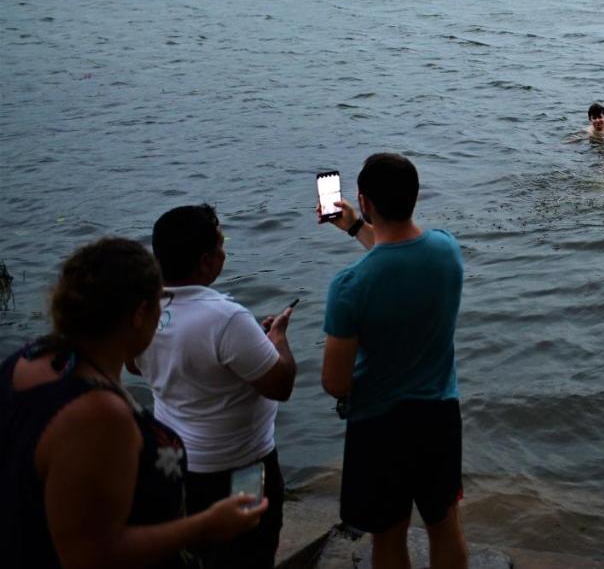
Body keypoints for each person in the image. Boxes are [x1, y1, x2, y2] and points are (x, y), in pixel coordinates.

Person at [1, 237, 266, 569]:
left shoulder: (23, 362)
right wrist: (205, 526)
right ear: (140, 314)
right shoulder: (100, 416)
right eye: (161, 302)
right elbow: (92, 556)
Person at [320, 153, 468, 569]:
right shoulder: (447, 251)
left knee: (388, 536)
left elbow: (336, 382)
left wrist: (355, 225)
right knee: (445, 523)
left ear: (365, 201)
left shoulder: (349, 286)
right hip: (439, 415)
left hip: (379, 426)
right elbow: (399, 250)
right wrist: (353, 227)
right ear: (415, 197)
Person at [132, 204, 296, 569]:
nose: (225, 253)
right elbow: (280, 384)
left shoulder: (142, 310)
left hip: (175, 464)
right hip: (241, 467)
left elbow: (133, 362)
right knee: (250, 554)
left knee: (192, 558)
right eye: (221, 246)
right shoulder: (226, 318)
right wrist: (279, 339)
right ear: (206, 261)